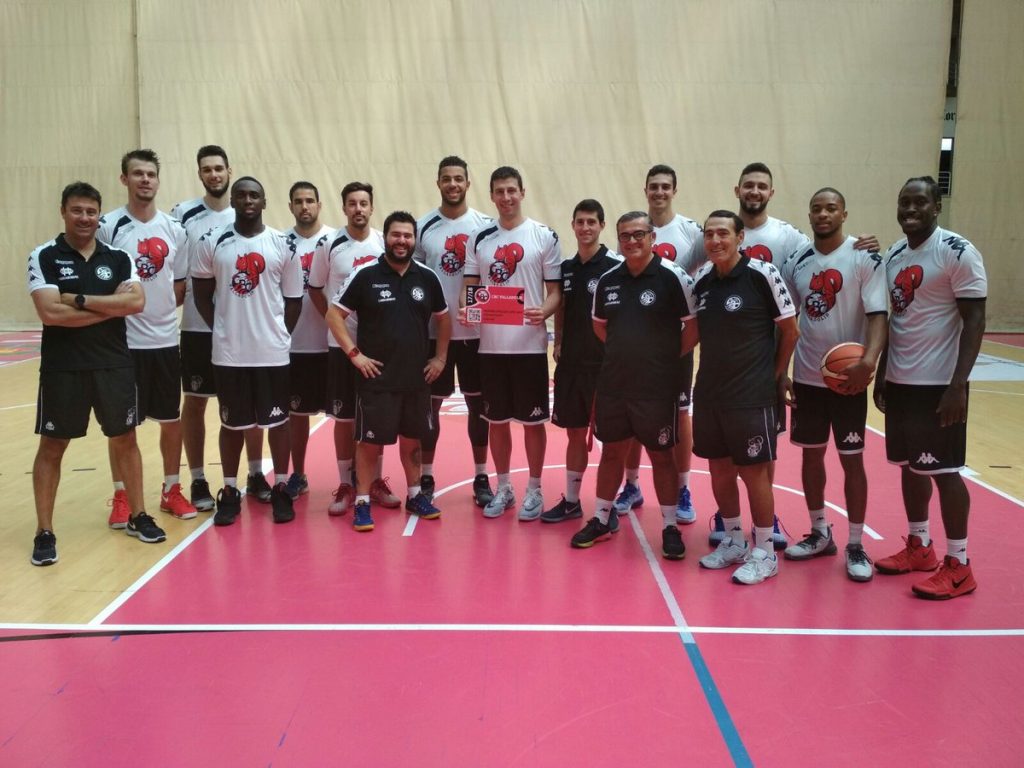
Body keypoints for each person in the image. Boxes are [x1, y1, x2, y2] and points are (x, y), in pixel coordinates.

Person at [684, 162, 879, 548]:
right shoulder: (710, 259)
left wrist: (862, 244)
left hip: (763, 367)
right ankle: (739, 529)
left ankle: (771, 528)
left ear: (770, 193)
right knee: (737, 458)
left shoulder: (788, 239)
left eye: (762, 186)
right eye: (748, 186)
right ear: (737, 190)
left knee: (762, 454)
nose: (754, 191)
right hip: (739, 370)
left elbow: (819, 264)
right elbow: (681, 272)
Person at [28, 181, 166, 565]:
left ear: (99, 215)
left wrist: (78, 300)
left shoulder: (119, 257)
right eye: (77, 210)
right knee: (52, 447)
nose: (84, 218)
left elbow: (136, 302)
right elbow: (50, 313)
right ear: (63, 211)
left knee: (125, 440)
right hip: (63, 369)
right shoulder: (44, 255)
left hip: (114, 365)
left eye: (91, 211)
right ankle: (44, 531)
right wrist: (110, 307)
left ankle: (138, 515)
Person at [872, 176, 986, 599]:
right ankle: (919, 546)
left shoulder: (957, 251)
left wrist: (959, 385)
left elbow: (975, 320)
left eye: (920, 201)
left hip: (938, 384)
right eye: (904, 201)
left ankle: (959, 565)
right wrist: (883, 371)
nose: (910, 209)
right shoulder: (895, 254)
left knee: (944, 471)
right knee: (910, 467)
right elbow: (896, 320)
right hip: (901, 381)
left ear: (936, 206)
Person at [570, 212, 697, 560]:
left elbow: (693, 327)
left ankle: (669, 526)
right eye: (625, 235)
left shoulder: (674, 276)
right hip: (615, 385)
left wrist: (664, 358)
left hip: (656, 388)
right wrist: (625, 352)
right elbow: (600, 326)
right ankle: (601, 518)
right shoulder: (608, 280)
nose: (631, 241)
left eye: (639, 234)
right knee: (612, 452)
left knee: (662, 456)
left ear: (652, 237)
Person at [778, 188, 888, 581]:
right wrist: (782, 371)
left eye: (831, 208)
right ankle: (819, 532)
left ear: (844, 213)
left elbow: (878, 315)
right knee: (811, 457)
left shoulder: (864, 256)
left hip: (847, 380)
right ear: (809, 214)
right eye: (817, 209)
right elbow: (787, 321)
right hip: (808, 377)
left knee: (851, 460)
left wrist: (868, 362)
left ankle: (856, 543)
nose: (823, 214)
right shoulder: (797, 261)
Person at [692, 210, 799, 585]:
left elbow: (790, 330)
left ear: (740, 237)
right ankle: (734, 541)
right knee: (719, 471)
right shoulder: (702, 280)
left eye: (723, 233)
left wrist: (775, 375)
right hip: (710, 394)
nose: (715, 240)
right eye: (709, 234)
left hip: (751, 395)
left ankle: (765, 552)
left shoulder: (762, 274)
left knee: (754, 474)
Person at [326, 211, 451, 531]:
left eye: (407, 236)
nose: (402, 241)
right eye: (396, 235)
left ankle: (415, 495)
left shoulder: (427, 277)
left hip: (416, 379)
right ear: (386, 238)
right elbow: (333, 315)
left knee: (413, 440)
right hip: (376, 379)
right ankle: (363, 502)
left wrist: (439, 359)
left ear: (414, 240)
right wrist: (355, 355)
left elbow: (443, 318)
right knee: (369, 444)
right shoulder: (365, 274)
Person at [191, 177, 303, 526]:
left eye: (254, 195)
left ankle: (280, 487)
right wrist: (224, 329)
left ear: (264, 201)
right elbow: (201, 294)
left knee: (278, 423)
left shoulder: (283, 244)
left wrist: (278, 335)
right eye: (241, 195)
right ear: (233, 201)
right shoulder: (212, 241)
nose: (248, 200)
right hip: (230, 354)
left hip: (272, 353)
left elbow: (294, 300)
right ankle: (229, 491)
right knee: (231, 424)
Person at [97, 149, 195, 526]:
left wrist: (158, 311)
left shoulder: (175, 229)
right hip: (122, 345)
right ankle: (122, 495)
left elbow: (179, 286)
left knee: (171, 420)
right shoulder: (108, 227)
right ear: (124, 179)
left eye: (151, 174)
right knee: (121, 426)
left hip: (165, 342)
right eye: (137, 174)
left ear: (158, 180)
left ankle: (171, 489)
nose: (145, 180)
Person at [461, 166, 562, 520]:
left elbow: (555, 292)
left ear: (522, 192)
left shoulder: (543, 235)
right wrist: (467, 309)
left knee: (533, 423)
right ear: (491, 196)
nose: (506, 197)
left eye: (511, 190)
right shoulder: (479, 238)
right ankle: (503, 487)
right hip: (490, 347)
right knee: (496, 421)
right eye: (499, 191)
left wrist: (543, 311)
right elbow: (470, 288)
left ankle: (534, 488)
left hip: (529, 347)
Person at [172, 146, 267, 510]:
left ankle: (255, 473)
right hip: (198, 328)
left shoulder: (244, 212)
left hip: (242, 330)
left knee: (252, 404)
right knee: (195, 402)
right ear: (200, 174)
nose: (214, 174)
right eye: (207, 169)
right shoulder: (182, 214)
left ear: (229, 171)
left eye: (218, 168)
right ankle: (198, 479)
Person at [613, 165, 703, 525]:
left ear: (674, 190)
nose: (659, 192)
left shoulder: (692, 232)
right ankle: (632, 485)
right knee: (632, 412)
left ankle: (683, 489)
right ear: (646, 190)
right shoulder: (631, 229)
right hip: (637, 344)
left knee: (680, 413)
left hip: (675, 341)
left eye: (666, 186)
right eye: (654, 186)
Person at [307, 182, 398, 514]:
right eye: (352, 203)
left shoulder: (383, 243)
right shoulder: (329, 244)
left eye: (363, 203)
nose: (358, 209)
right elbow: (316, 289)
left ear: (372, 208)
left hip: (378, 348)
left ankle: (374, 481)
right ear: (344, 207)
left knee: (377, 416)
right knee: (344, 418)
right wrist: (336, 325)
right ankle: (346, 483)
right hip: (342, 348)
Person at [413, 156, 494, 507]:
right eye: (446, 178)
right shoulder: (423, 226)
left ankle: (481, 476)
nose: (452, 184)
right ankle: (426, 475)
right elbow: (415, 277)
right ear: (438, 183)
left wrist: (476, 310)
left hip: (475, 335)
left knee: (479, 407)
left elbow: (488, 277)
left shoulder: (485, 226)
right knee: (430, 408)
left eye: (458, 178)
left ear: (467, 183)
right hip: (434, 335)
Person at [541, 199, 621, 524]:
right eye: (580, 222)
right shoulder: (567, 268)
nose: (585, 227)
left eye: (591, 222)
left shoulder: (615, 267)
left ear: (602, 225)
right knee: (574, 434)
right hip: (572, 365)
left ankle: (607, 508)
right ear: (573, 226)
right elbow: (560, 307)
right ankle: (572, 502)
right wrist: (559, 340)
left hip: (605, 368)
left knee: (611, 440)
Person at [282, 181, 333, 498]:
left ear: (319, 205)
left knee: (344, 416)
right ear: (290, 206)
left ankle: (351, 476)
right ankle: (298, 474)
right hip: (295, 344)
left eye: (310, 200)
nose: (304, 206)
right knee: (296, 415)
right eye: (298, 201)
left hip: (333, 343)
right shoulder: (280, 243)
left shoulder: (335, 240)